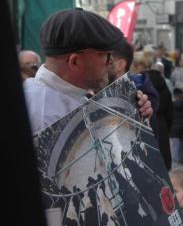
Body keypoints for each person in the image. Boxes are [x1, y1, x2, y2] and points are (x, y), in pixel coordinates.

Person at [23, 8, 154, 134]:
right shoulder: (45, 119)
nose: (110, 62)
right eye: (105, 55)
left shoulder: (67, 95)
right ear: (75, 62)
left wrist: (134, 119)